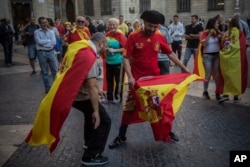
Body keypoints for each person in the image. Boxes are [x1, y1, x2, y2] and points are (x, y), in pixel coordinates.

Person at [109, 10, 189, 149]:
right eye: (150, 25)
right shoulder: (133, 36)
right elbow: (126, 58)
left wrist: (183, 67)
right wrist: (131, 77)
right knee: (128, 109)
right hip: (137, 82)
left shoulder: (159, 35)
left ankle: (167, 133)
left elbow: (170, 53)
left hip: (153, 83)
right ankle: (121, 136)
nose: (152, 29)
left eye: (155, 26)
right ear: (144, 22)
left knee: (157, 108)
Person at [71, 33, 111, 166]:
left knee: (89, 117)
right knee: (104, 121)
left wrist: (98, 90)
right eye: (105, 45)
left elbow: (86, 77)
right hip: (81, 96)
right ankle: (91, 156)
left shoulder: (83, 49)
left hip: (74, 94)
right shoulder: (90, 55)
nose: (106, 48)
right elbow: (91, 85)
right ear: (100, 43)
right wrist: (96, 111)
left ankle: (88, 143)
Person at [218, 18, 248, 103]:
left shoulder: (227, 33)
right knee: (236, 77)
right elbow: (242, 45)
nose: (227, 24)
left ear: (231, 24)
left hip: (226, 59)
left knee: (227, 76)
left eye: (228, 23)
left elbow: (222, 44)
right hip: (236, 60)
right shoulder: (239, 32)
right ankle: (235, 96)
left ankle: (226, 95)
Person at [198, 18, 225, 102]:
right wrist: (209, 34)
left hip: (216, 55)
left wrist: (221, 38)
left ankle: (218, 93)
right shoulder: (204, 33)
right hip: (207, 57)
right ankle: (205, 91)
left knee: (217, 74)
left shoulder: (218, 32)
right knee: (208, 74)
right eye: (217, 23)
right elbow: (204, 44)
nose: (218, 25)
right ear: (212, 24)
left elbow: (222, 43)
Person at [102, 18, 127, 104]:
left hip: (118, 62)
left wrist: (114, 50)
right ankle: (109, 98)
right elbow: (103, 45)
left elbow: (126, 48)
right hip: (109, 61)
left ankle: (118, 97)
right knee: (109, 80)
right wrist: (105, 49)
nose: (112, 26)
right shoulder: (107, 35)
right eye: (110, 24)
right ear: (108, 25)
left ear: (117, 25)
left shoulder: (120, 35)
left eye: (114, 25)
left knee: (118, 80)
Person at [34, 16, 58, 93]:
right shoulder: (36, 32)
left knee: (55, 70)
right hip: (41, 53)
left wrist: (45, 42)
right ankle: (47, 88)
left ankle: (55, 87)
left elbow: (54, 42)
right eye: (43, 23)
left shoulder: (51, 32)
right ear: (40, 24)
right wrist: (48, 41)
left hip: (51, 52)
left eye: (45, 22)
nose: (44, 24)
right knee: (45, 72)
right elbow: (39, 42)